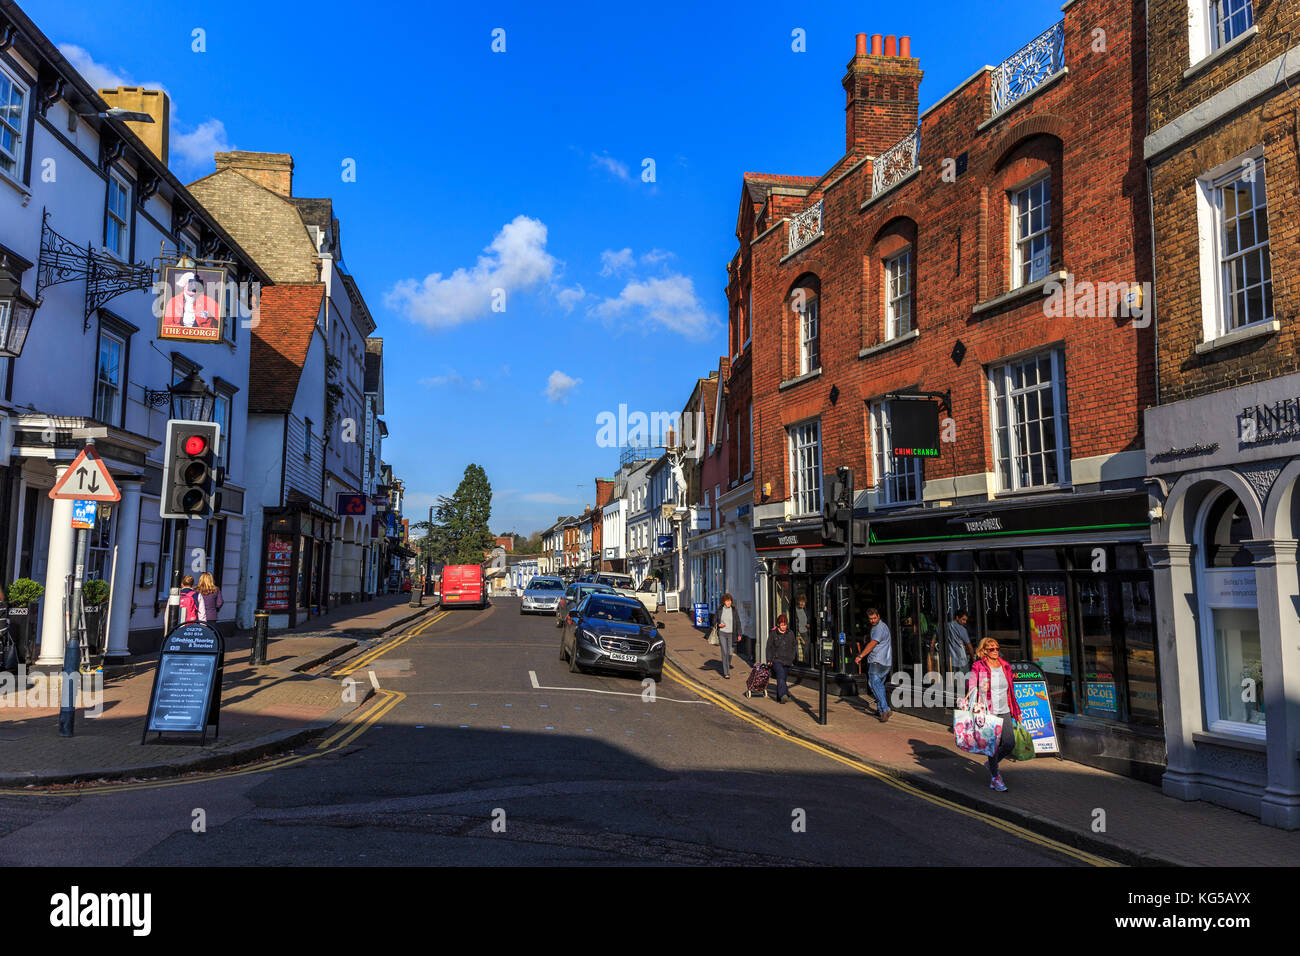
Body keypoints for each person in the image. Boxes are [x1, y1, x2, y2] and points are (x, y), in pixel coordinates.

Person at [967, 637, 1022, 792]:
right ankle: (995, 778)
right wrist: (974, 695)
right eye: (991, 649)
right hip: (988, 711)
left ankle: (992, 763)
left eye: (997, 648)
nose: (995, 651)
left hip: (1004, 709)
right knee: (993, 746)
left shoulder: (1005, 666)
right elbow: (971, 684)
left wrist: (1016, 712)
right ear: (984, 651)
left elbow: (1011, 691)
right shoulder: (978, 666)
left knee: (1009, 743)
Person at [854, 607, 893, 722]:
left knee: (873, 684)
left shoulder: (878, 628)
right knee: (879, 686)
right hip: (886, 662)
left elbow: (873, 644)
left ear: (879, 616)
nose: (873, 620)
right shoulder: (883, 626)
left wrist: (860, 656)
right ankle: (882, 709)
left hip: (877, 661)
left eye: (874, 618)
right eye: (870, 619)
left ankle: (885, 709)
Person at [767, 613, 796, 704]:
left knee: (783, 678)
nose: (784, 627)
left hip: (787, 660)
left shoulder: (790, 633)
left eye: (785, 624)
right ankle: (783, 695)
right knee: (780, 676)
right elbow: (769, 647)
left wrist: (792, 657)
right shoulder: (773, 633)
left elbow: (793, 646)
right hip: (777, 660)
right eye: (782, 625)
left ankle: (781, 697)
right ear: (778, 624)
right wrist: (769, 659)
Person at [715, 593, 738, 679]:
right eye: (727, 601)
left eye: (730, 601)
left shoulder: (734, 610)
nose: (728, 602)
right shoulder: (720, 610)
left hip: (731, 634)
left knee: (730, 652)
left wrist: (739, 633)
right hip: (722, 633)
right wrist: (718, 624)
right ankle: (726, 672)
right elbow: (714, 620)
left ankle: (726, 664)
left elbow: (737, 622)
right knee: (724, 652)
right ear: (723, 602)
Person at [793, 593, 810, 664]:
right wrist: (796, 634)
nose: (803, 603)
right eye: (801, 601)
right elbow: (795, 622)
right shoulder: (795, 610)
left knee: (806, 648)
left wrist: (808, 624)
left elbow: (808, 618)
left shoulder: (806, 610)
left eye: (804, 602)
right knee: (797, 648)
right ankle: (798, 662)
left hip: (805, 631)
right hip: (798, 632)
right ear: (798, 602)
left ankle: (806, 661)